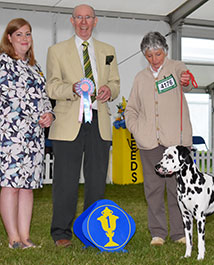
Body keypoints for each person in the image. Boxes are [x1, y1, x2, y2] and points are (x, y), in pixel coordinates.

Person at [46, 4, 120, 247]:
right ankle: (61, 233)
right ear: (72, 21)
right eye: (79, 17)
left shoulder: (109, 50)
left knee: (97, 181)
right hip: (69, 121)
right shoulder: (56, 51)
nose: (84, 22)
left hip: (100, 121)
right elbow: (52, 87)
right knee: (65, 181)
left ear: (95, 21)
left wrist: (110, 91)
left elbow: (116, 84)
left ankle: (93, 231)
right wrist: (73, 88)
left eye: (88, 17)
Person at [125, 31, 193, 246]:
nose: (154, 60)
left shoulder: (176, 68)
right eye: (149, 56)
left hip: (175, 143)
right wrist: (136, 129)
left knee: (177, 190)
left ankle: (179, 232)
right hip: (149, 143)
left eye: (158, 54)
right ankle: (157, 233)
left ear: (165, 51)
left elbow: (187, 80)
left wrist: (186, 79)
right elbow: (131, 109)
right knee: (153, 189)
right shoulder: (140, 78)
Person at [0, 18, 53, 249]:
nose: (24, 38)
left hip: (33, 135)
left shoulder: (35, 66)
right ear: (9, 37)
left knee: (28, 186)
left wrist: (49, 114)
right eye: (19, 34)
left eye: (28, 34)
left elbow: (44, 98)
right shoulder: (2, 63)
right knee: (11, 185)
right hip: (10, 134)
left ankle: (25, 236)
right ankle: (13, 238)